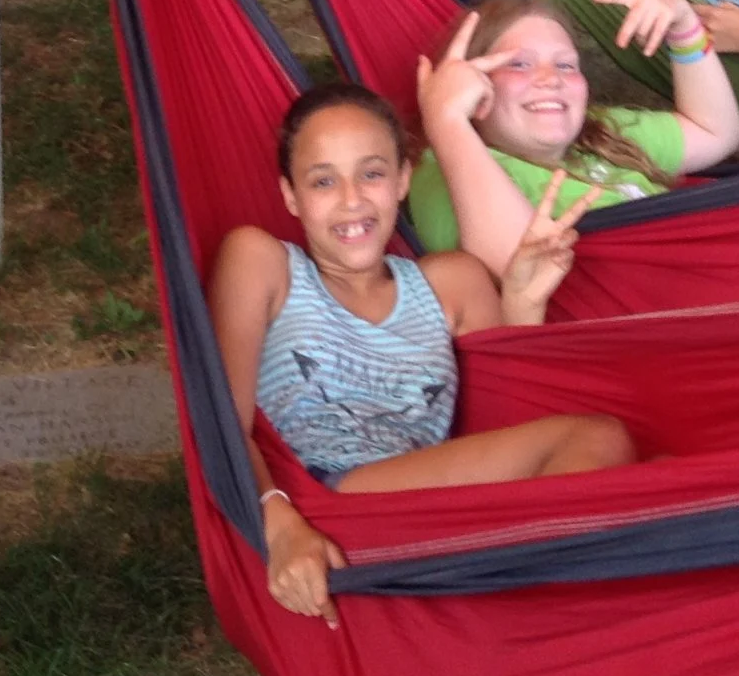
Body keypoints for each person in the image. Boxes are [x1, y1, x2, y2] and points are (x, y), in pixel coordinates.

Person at [209, 83, 635, 627]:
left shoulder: (451, 284)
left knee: (614, 453)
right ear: (290, 196)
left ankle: (540, 612)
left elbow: (512, 418)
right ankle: (545, 617)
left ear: (403, 179)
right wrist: (280, 524)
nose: (352, 199)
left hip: (432, 507)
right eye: (322, 181)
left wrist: (523, 299)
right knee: (599, 439)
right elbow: (223, 424)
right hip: (330, 499)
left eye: (371, 172)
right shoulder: (261, 262)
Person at [412, 0, 739, 274]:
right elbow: (522, 274)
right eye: (519, 64)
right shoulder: (445, 170)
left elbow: (715, 133)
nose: (550, 79)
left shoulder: (598, 131)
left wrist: (684, 28)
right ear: (472, 85)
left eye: (566, 65)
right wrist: (446, 119)